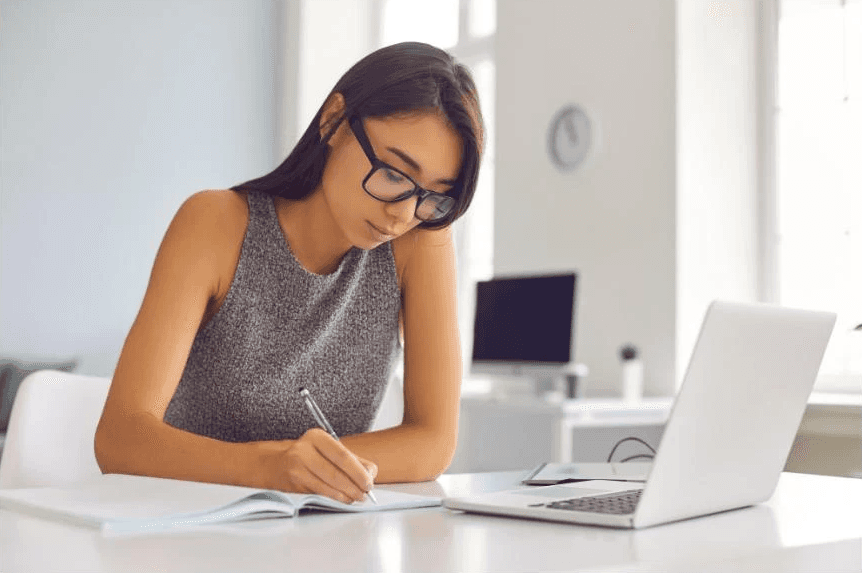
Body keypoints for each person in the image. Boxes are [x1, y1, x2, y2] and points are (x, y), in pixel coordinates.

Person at [94, 42, 485, 505]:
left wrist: (308, 472)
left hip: (317, 535)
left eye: (433, 195)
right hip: (184, 523)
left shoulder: (420, 241)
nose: (403, 214)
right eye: (394, 173)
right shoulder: (215, 223)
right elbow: (120, 439)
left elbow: (433, 441)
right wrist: (272, 467)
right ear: (335, 120)